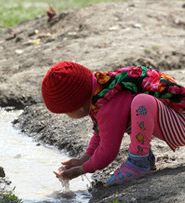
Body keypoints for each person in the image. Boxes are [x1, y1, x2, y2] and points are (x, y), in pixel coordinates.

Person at [41, 61, 185, 187]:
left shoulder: (107, 105)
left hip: (181, 125)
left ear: (77, 107)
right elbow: (101, 133)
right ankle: (145, 157)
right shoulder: (104, 87)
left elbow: (107, 151)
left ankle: (138, 162)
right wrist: (82, 160)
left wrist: (80, 170)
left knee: (142, 102)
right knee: (131, 110)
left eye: (66, 112)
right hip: (176, 119)